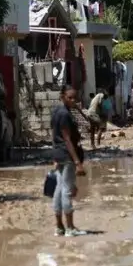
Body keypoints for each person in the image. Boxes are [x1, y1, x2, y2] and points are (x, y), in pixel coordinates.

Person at [51, 85, 87, 237]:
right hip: (67, 156)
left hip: (59, 155)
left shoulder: (56, 112)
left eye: (75, 98)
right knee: (67, 191)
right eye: (69, 97)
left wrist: (54, 157)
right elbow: (67, 139)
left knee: (59, 190)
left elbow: (54, 136)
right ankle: (70, 228)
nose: (73, 100)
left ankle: (59, 227)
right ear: (62, 96)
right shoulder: (65, 114)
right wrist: (78, 162)